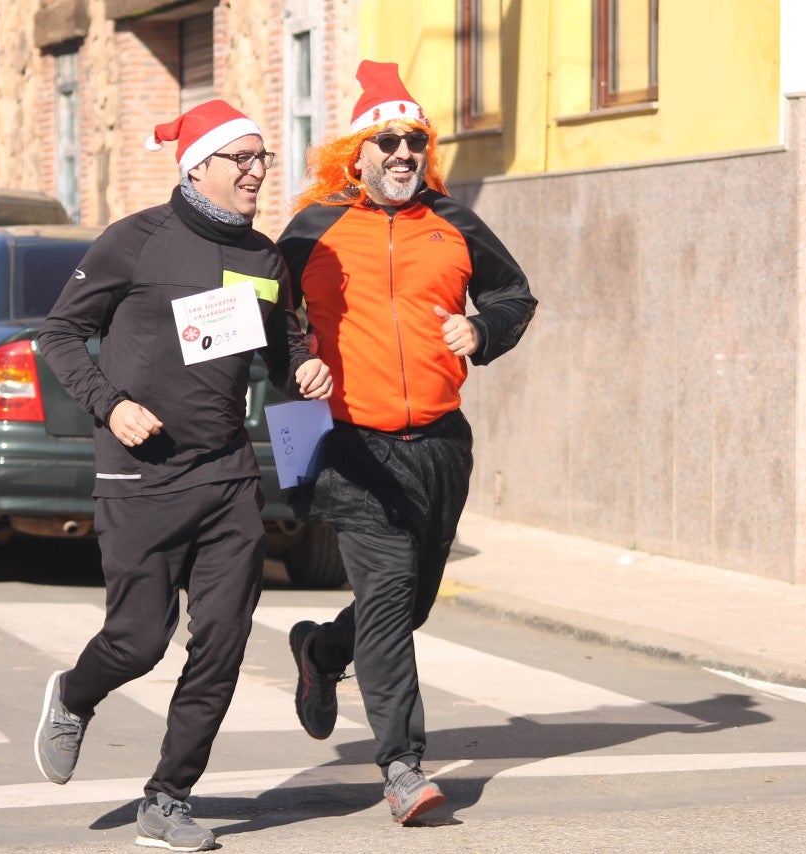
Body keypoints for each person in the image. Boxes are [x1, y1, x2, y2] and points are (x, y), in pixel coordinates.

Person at [35, 99, 332, 853]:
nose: (260, 171)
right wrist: (113, 405)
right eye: (245, 158)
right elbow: (61, 332)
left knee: (224, 641)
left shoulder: (265, 259)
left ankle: (167, 797)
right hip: (140, 477)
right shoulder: (134, 243)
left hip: (228, 477)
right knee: (138, 642)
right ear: (199, 163)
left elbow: (280, 348)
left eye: (264, 158)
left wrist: (304, 367)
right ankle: (73, 695)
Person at [277, 60, 537, 825]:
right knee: (389, 595)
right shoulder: (313, 230)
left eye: (415, 141)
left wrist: (482, 328)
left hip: (439, 445)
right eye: (387, 140)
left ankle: (323, 652)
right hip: (354, 446)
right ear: (355, 152)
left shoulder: (454, 222)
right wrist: (300, 360)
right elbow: (271, 313)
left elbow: (514, 292)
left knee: (410, 601)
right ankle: (401, 765)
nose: (402, 154)